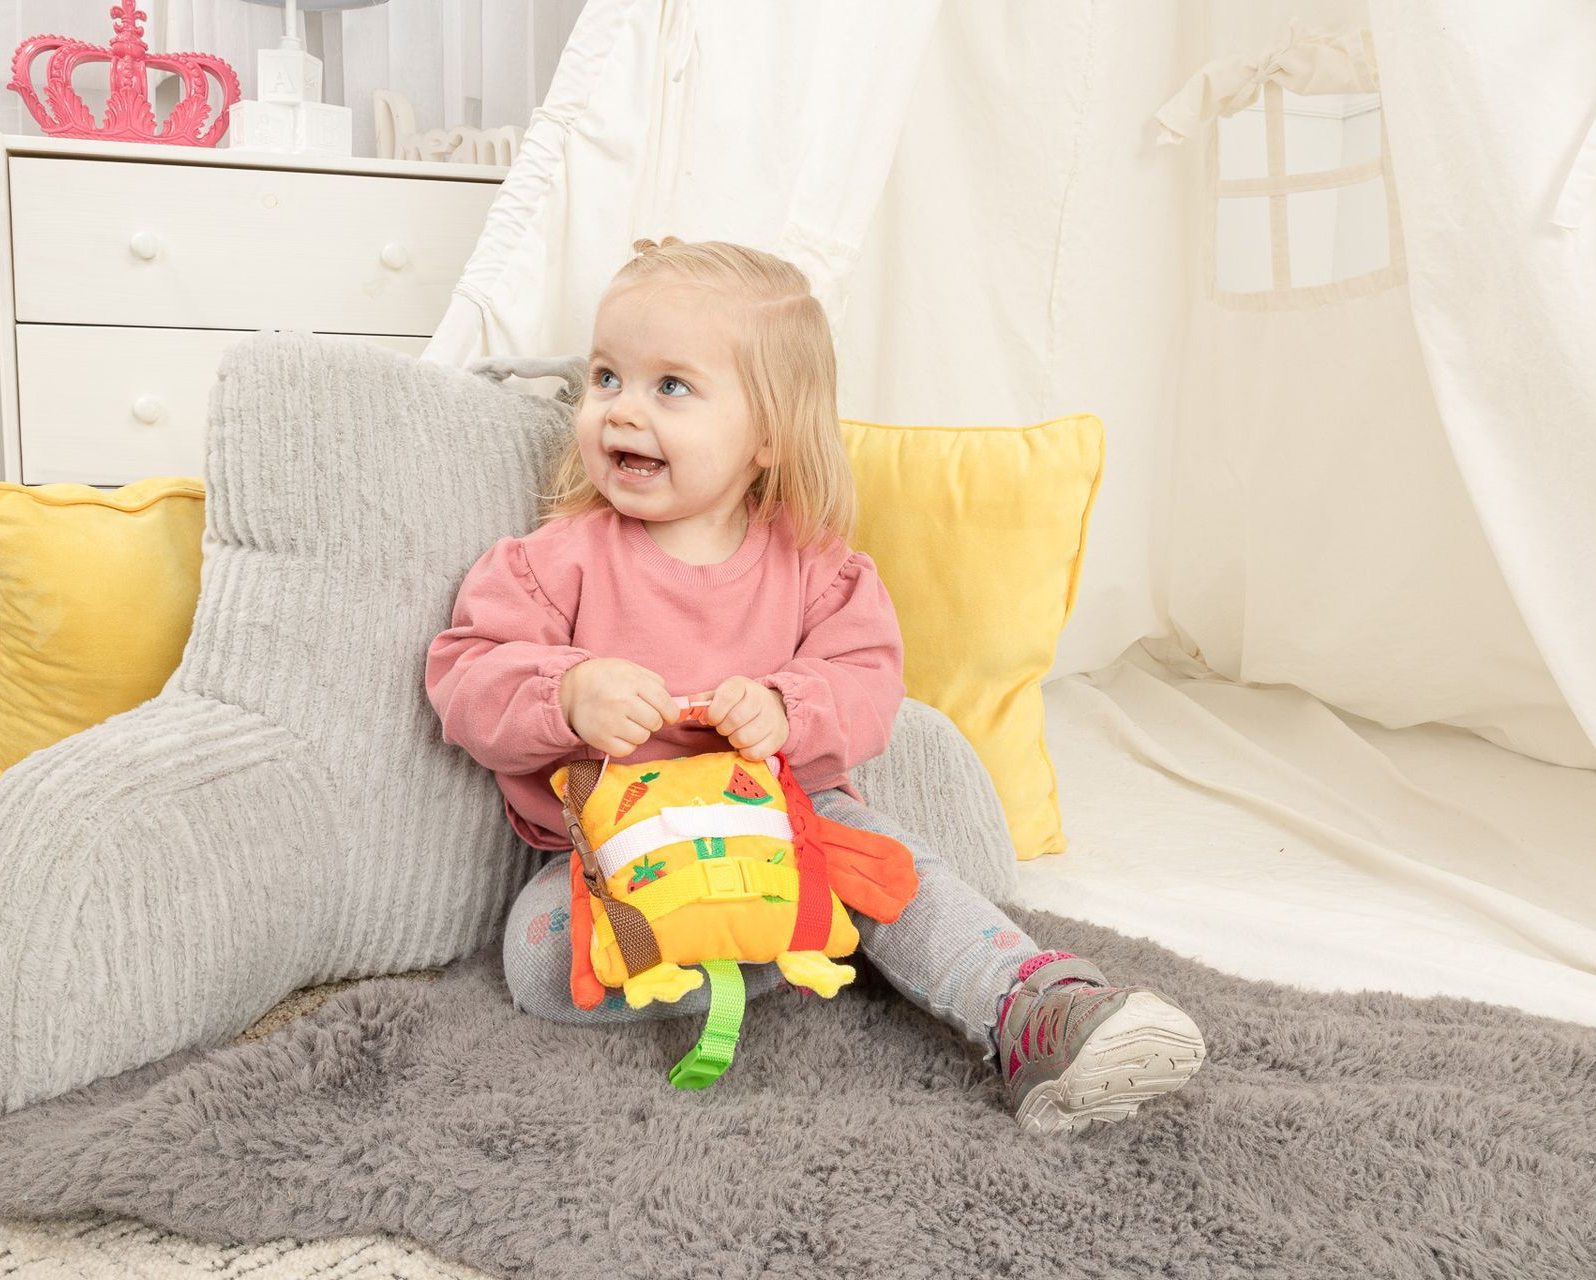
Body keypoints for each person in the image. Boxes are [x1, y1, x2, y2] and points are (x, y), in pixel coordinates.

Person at [425, 236, 1205, 1134]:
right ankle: (790, 947)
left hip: (790, 824)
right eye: (607, 377)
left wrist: (789, 708)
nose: (622, 412)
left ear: (766, 438)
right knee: (536, 961)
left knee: (892, 871)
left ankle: (1033, 1009)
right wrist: (568, 692)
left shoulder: (816, 569)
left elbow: (869, 682)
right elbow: (466, 671)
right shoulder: (549, 562)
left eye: (670, 386)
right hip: (611, 850)